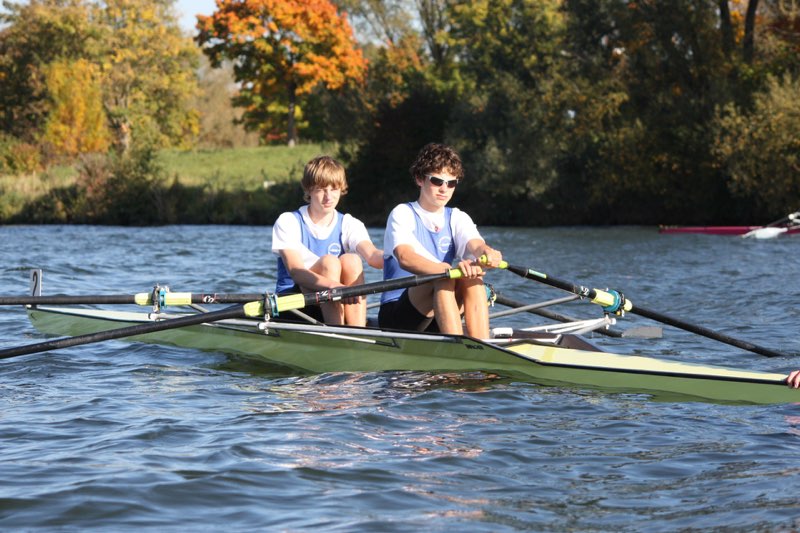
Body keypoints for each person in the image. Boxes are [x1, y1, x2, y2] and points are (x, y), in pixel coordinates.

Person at [378, 143, 503, 339]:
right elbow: (405, 257)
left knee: (472, 276)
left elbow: (476, 245)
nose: (444, 189)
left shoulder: (457, 217)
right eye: (437, 181)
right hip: (397, 316)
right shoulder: (402, 213)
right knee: (443, 275)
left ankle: (482, 344)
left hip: (440, 311)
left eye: (451, 183)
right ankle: (456, 347)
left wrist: (488, 253)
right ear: (419, 179)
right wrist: (445, 270)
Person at [272, 156, 383, 326]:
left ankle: (357, 330)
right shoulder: (288, 221)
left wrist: (399, 256)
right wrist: (335, 287)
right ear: (308, 189)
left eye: (334, 189)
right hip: (295, 305)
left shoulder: (350, 224)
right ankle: (336, 330)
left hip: (337, 298)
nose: (328, 197)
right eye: (321, 189)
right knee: (329, 263)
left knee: (352, 260)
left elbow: (373, 255)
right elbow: (296, 272)